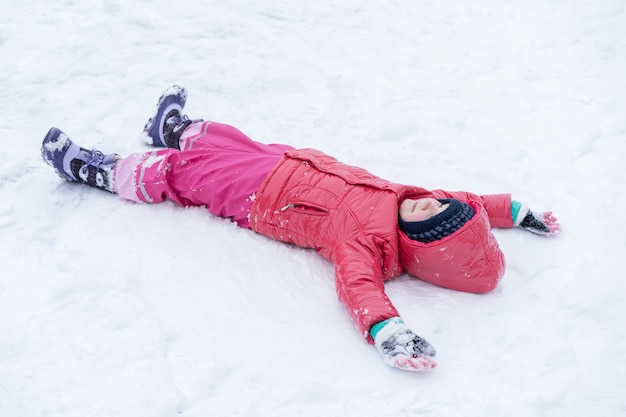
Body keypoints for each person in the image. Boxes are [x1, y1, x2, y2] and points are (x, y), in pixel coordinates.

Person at [41, 86, 560, 372]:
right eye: (434, 203)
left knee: (186, 176)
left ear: (416, 245)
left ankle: (102, 170)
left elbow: (359, 287)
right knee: (230, 140)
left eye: (426, 217)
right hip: (288, 162)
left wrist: (388, 330)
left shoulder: (370, 246)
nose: (427, 202)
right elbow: (469, 201)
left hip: (264, 199)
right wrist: (514, 210)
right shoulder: (418, 199)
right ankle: (177, 130)